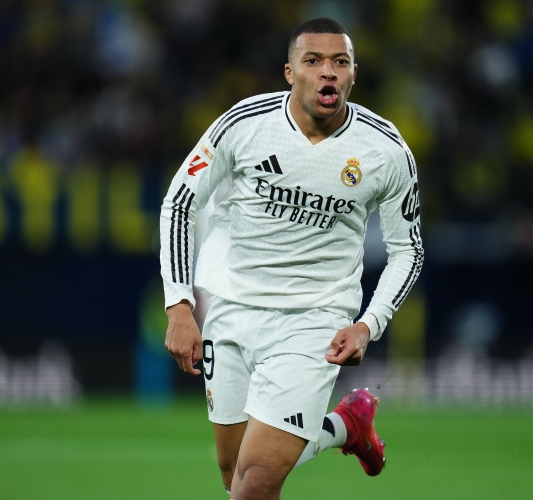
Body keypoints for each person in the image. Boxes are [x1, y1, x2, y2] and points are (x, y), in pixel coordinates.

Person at [160, 17, 423, 500]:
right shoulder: (245, 124)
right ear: (290, 72)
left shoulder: (385, 150)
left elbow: (409, 250)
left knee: (257, 482)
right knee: (234, 473)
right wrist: (179, 305)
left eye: (340, 62)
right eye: (313, 61)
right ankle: (346, 426)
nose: (328, 72)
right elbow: (180, 203)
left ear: (354, 74)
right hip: (232, 310)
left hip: (314, 320)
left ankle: (342, 425)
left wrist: (368, 325)